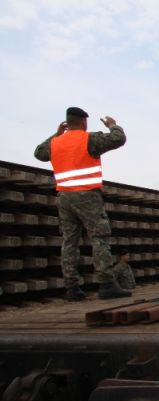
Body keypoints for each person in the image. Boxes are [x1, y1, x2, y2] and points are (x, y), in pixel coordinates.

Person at [34, 107, 132, 301]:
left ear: (67, 123)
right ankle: (106, 284)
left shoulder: (55, 142)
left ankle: (72, 288)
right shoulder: (89, 139)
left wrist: (56, 134)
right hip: (87, 195)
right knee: (99, 237)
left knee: (69, 241)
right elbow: (118, 139)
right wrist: (113, 125)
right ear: (83, 122)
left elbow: (38, 153)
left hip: (64, 197)